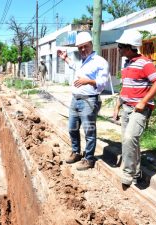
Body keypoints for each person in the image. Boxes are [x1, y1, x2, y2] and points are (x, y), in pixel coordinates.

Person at [113, 30, 156, 186]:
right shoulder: (127, 64)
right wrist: (117, 106)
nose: (118, 49)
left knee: (130, 138)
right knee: (128, 141)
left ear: (129, 47)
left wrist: (143, 101)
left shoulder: (145, 63)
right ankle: (136, 172)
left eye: (120, 46)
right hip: (126, 108)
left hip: (139, 109)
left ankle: (128, 173)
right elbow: (126, 88)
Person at [57, 31, 109, 170]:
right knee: (72, 128)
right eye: (80, 47)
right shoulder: (83, 61)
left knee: (89, 131)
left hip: (89, 101)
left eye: (85, 46)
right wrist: (65, 58)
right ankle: (76, 152)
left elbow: (103, 83)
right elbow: (75, 66)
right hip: (75, 100)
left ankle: (89, 159)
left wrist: (88, 81)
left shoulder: (100, 62)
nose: (83, 49)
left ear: (91, 44)